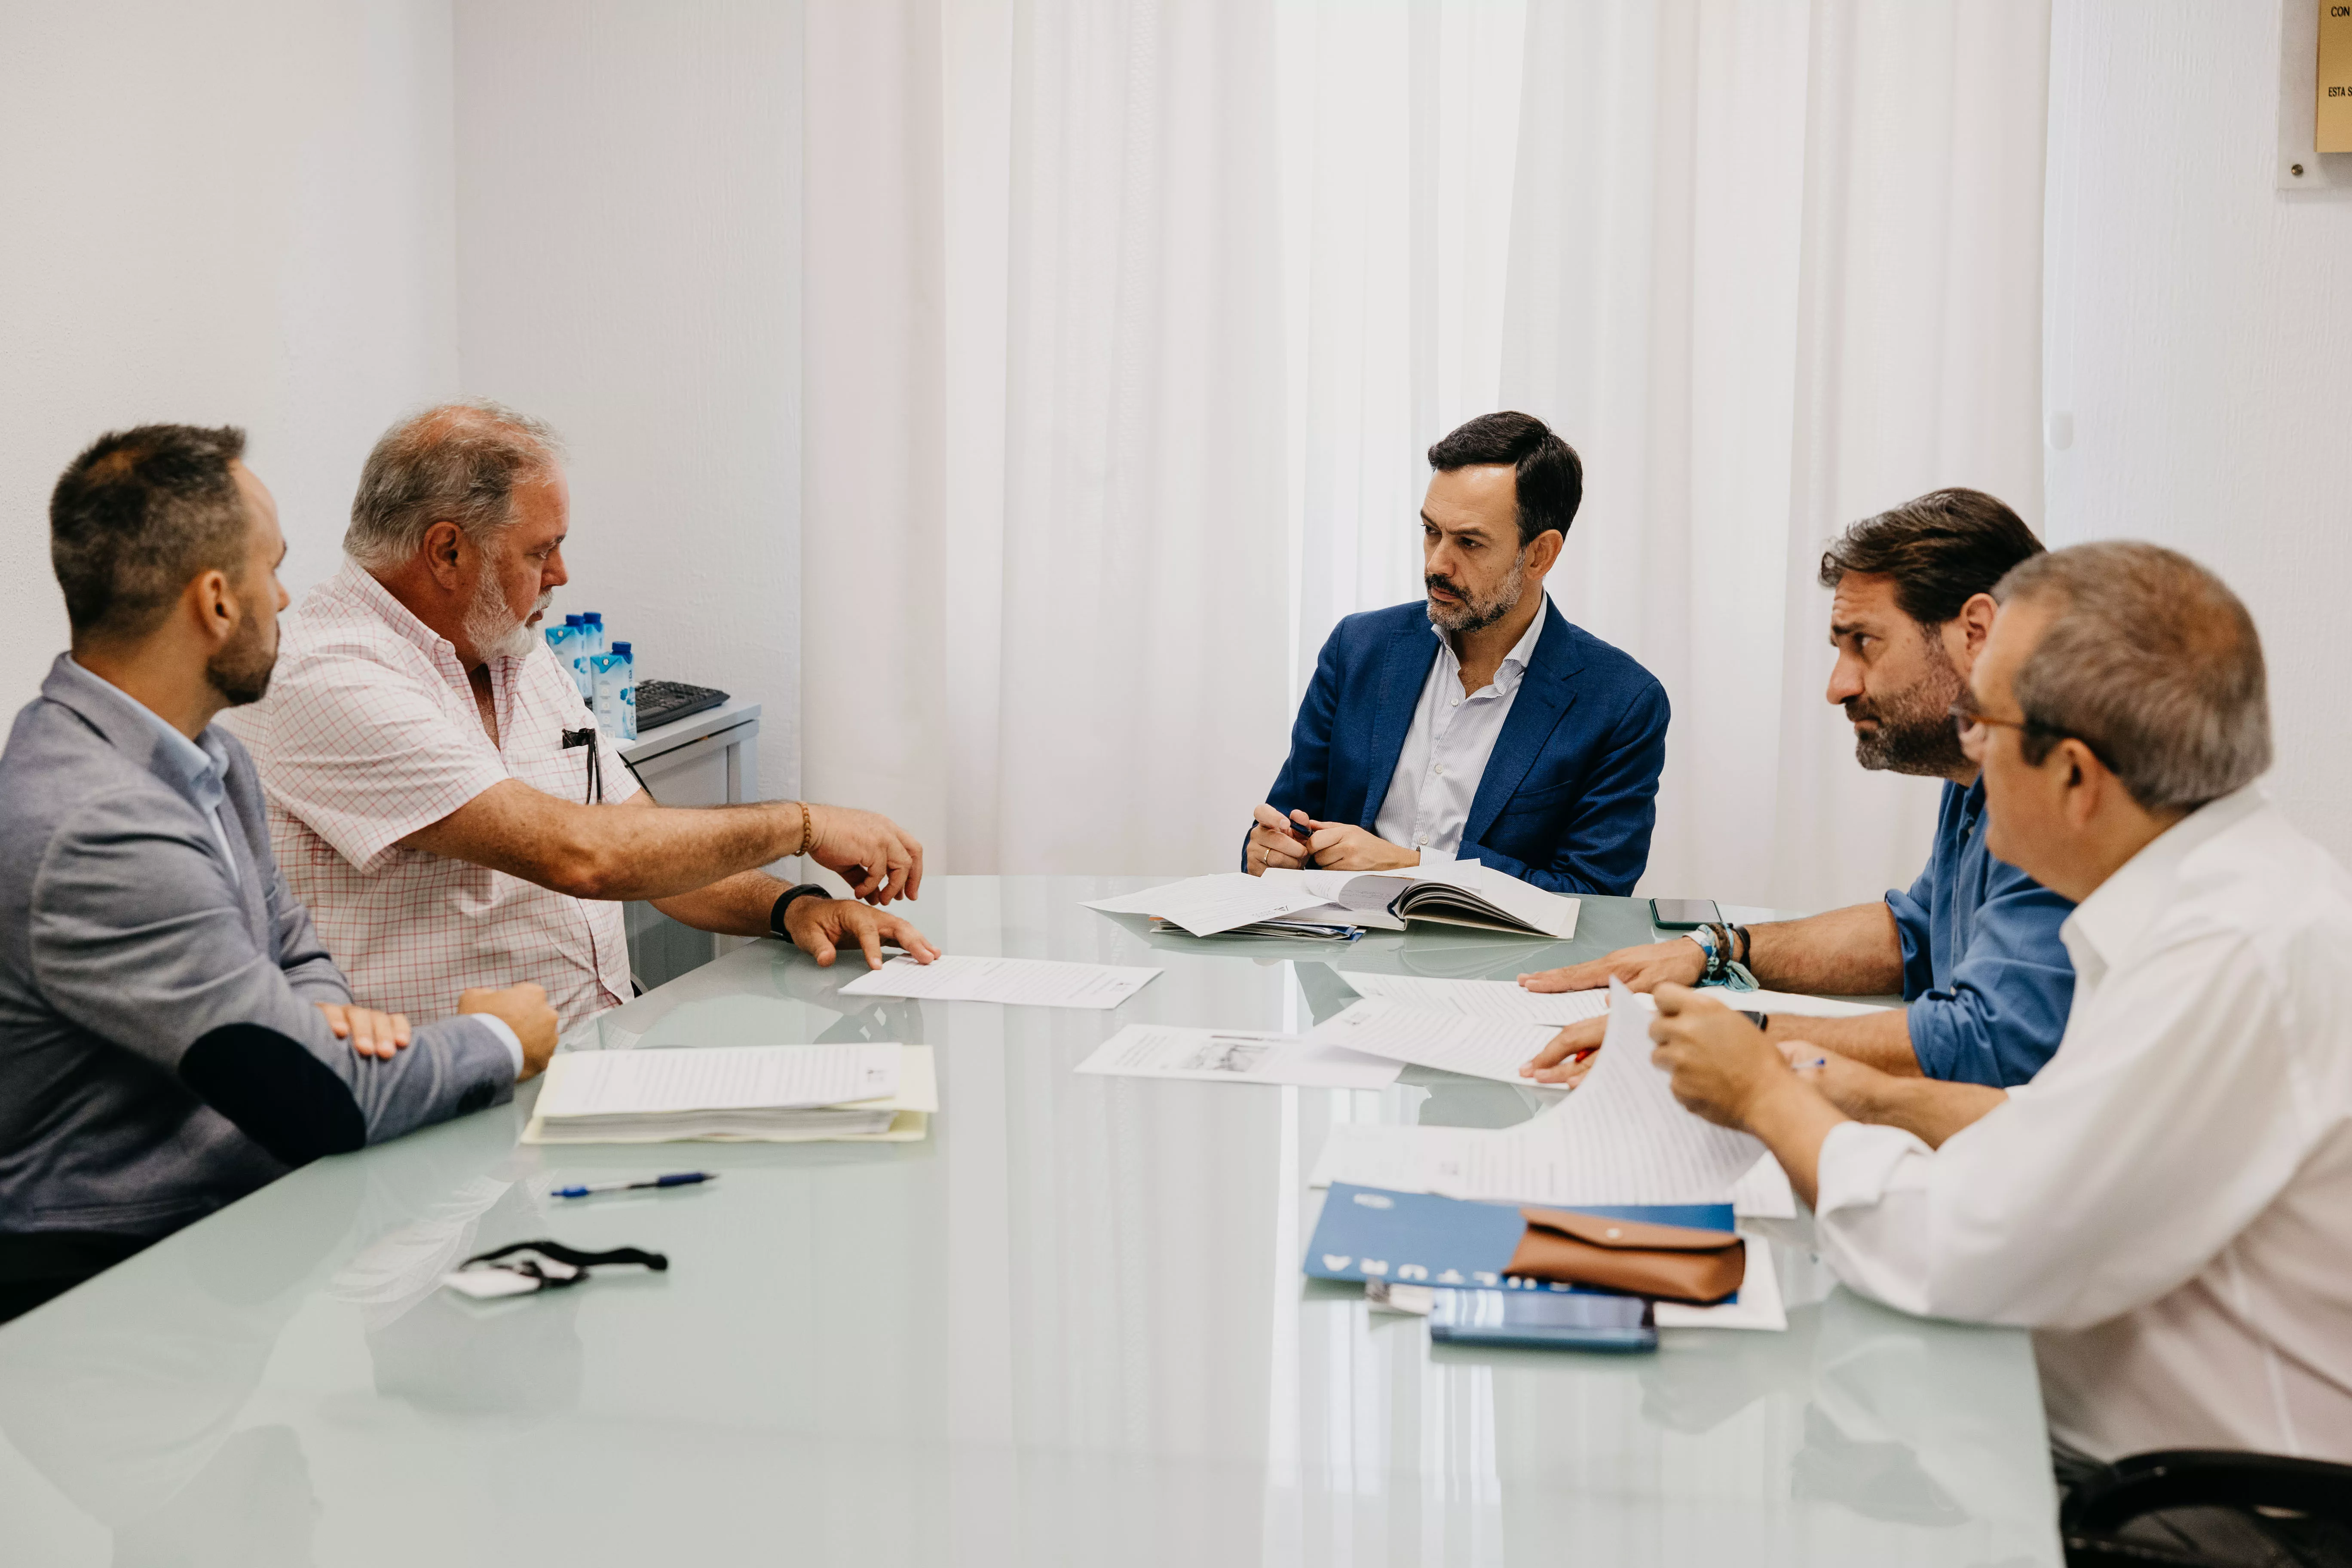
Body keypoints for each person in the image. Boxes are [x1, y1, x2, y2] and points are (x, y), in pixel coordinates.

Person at [1645, 541, 2352, 1466]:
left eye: (1983, 722)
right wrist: (1864, 1093)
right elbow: (2065, 1133)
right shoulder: (2214, 893)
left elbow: (1958, 1249)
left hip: (2204, 1511)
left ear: (2075, 777)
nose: (1969, 746)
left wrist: (1765, 1097)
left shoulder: (2230, 949)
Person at [0, 424, 558, 1322]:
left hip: (231, 1243)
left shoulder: (208, 759)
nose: (287, 597)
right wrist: (498, 1038)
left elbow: (292, 947)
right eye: (275, 568)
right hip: (105, 1291)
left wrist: (328, 1022)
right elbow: (316, 1096)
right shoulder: (97, 824)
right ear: (218, 601)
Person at [224, 402, 937, 1035]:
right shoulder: (327, 673)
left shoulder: (511, 646)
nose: (560, 574)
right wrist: (803, 825)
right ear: (447, 551)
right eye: (541, 551)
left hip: (595, 1047)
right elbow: (585, 855)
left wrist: (793, 908)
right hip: (449, 1097)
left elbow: (646, 846)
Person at [1519, 489, 2073, 1091]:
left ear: (1976, 632)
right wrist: (1717, 949)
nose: (1839, 687)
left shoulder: (2056, 785)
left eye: (1865, 643)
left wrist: (1742, 1038)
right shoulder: (1975, 775)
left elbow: (1995, 1038)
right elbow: (1915, 934)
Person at [1245, 412, 1669, 897]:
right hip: (1344, 938)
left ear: (1540, 555)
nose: (1437, 564)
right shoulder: (1358, 648)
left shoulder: (1621, 702)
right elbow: (1287, 823)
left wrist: (1415, 868)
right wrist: (1271, 852)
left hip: (1493, 950)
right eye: (1431, 531)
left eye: (1469, 542)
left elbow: (1593, 895)